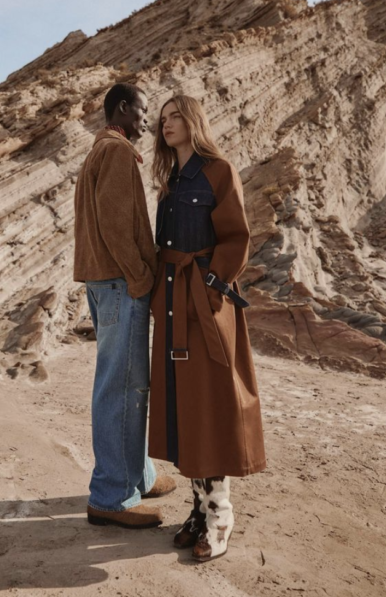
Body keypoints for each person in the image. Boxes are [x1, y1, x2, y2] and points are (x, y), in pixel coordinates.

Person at [148, 94, 266, 562]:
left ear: (193, 120)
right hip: (174, 300)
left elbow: (237, 236)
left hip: (206, 303)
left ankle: (221, 515)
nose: (167, 124)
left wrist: (213, 288)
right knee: (185, 406)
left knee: (213, 402)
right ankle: (198, 508)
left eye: (175, 116)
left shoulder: (219, 170)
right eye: (162, 119)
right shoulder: (168, 183)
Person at [73, 82, 177, 529]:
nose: (147, 120)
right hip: (120, 284)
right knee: (122, 387)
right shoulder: (116, 152)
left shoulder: (101, 151)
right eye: (142, 110)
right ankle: (112, 497)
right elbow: (116, 225)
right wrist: (141, 278)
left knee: (128, 384)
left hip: (107, 283)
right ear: (122, 108)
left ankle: (137, 476)